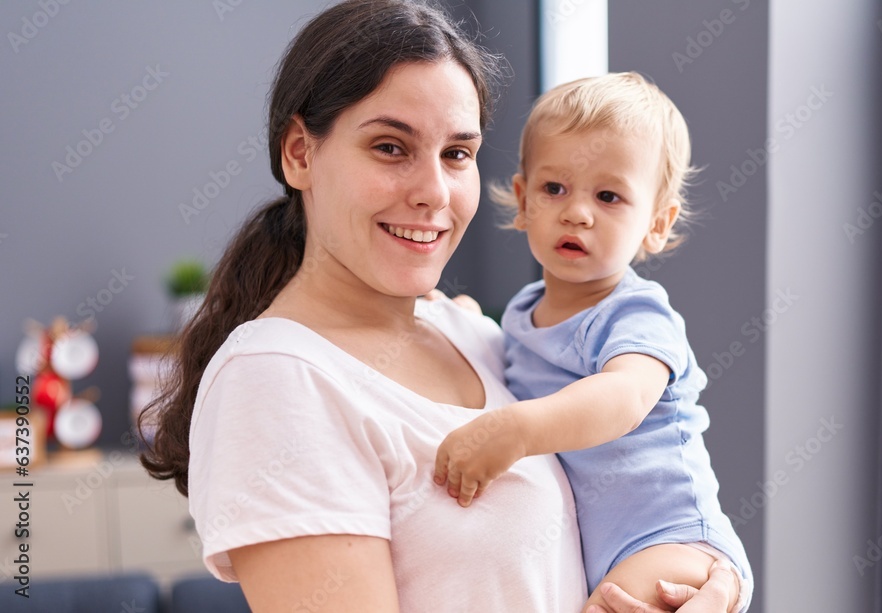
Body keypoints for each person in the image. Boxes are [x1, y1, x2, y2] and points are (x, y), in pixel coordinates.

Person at [139, 1, 738, 610]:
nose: (432, 192)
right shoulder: (274, 379)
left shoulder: (475, 333)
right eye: (391, 147)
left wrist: (715, 581)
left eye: (456, 154)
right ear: (300, 152)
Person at [433, 73, 753, 612]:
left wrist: (519, 430)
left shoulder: (634, 311)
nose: (577, 211)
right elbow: (510, 357)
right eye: (554, 188)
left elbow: (623, 397)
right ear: (523, 199)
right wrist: (460, 317)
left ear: (656, 223)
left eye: (608, 196)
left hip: (668, 538)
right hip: (599, 555)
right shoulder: (519, 314)